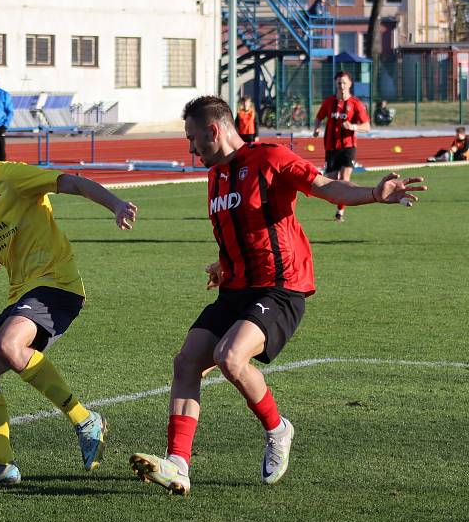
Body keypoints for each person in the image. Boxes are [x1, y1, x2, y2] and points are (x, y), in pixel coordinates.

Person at [129, 95, 426, 495]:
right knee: (186, 362)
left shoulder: (270, 158)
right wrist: (223, 266)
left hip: (281, 288)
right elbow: (238, 229)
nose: (190, 148)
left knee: (230, 357)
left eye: (192, 138)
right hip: (236, 289)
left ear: (214, 130)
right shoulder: (216, 176)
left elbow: (323, 185)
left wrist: (373, 194)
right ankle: (179, 464)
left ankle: (278, 428)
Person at [0, 119, 138, 486]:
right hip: (22, 293)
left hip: (57, 284)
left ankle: (86, 420)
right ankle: (1, 464)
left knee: (8, 344)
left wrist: (115, 203)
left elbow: (73, 182)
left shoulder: (12, 176)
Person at [313, 71, 371, 222]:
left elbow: (367, 126)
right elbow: (319, 117)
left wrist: (353, 127)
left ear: (350, 84)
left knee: (344, 179)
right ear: (335, 84)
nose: (342, 86)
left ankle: (340, 212)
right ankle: (339, 205)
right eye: (339, 83)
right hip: (331, 147)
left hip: (348, 147)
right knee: (331, 180)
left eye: (344, 83)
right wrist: (316, 128)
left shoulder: (355, 103)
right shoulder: (329, 102)